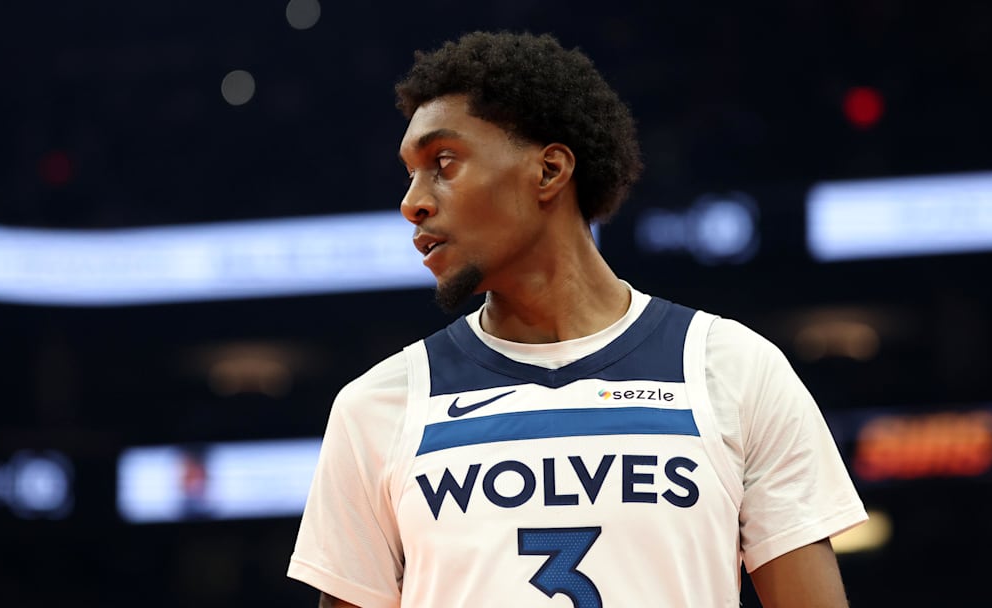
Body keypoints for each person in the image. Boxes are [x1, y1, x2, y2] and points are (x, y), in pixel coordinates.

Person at [288, 31, 867, 608]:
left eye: (443, 162)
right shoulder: (376, 406)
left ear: (549, 171)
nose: (412, 201)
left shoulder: (736, 370)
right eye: (409, 173)